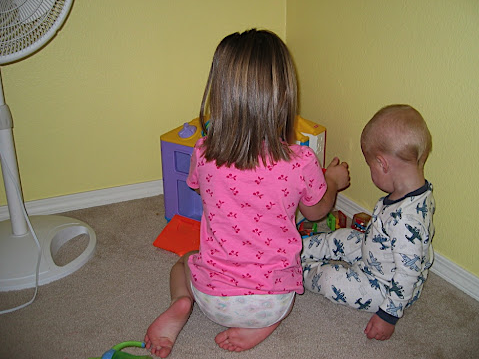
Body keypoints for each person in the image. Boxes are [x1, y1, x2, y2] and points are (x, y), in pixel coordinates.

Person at [145, 29, 350, 358]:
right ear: (284, 96)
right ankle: (266, 325)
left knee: (183, 263)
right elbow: (316, 212)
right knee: (285, 292)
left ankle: (180, 303)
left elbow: (198, 186)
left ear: (221, 93)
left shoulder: (205, 152)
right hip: (271, 302)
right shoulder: (301, 161)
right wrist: (334, 182)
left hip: (210, 298)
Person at [301, 104, 435, 341]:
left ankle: (298, 271)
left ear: (383, 165)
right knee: (343, 236)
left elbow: (407, 274)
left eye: (370, 165)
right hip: (375, 252)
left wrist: (388, 316)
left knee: (332, 280)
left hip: (383, 286)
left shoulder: (407, 221)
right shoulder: (417, 191)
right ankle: (299, 247)